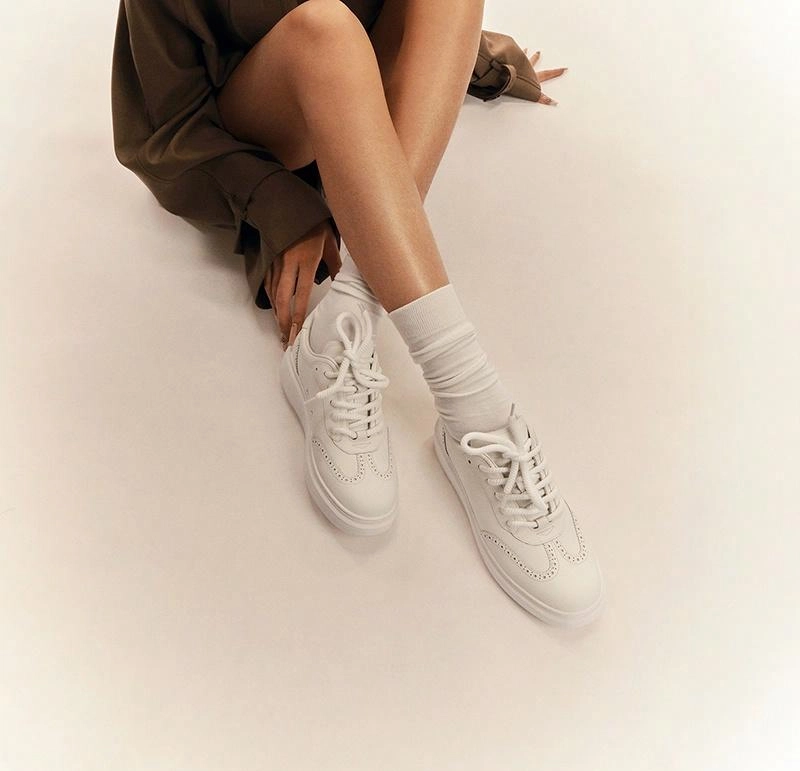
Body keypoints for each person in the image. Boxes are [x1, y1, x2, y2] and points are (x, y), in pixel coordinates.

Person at [111, 0, 604, 626]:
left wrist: (473, 61)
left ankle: (348, 313)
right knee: (326, 27)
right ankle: (475, 403)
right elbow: (161, 134)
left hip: (353, 112)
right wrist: (280, 204)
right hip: (249, 130)